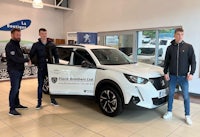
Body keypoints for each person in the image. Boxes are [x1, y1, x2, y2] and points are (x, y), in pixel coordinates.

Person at [163, 28, 196, 125]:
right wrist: (165, 72)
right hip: (172, 77)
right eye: (178, 34)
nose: (180, 36)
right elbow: (166, 62)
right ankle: (169, 112)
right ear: (174, 35)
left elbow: (193, 62)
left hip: (183, 77)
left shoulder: (188, 47)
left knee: (186, 96)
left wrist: (192, 73)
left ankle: (187, 115)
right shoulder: (170, 48)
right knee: (171, 95)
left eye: (182, 34)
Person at [30, 28, 59, 109]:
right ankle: (39, 103)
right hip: (41, 67)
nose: (44, 35)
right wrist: (35, 62)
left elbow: (56, 55)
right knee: (40, 85)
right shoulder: (36, 45)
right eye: (42, 33)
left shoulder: (51, 44)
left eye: (45, 33)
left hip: (50, 67)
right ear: (39, 34)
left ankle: (53, 100)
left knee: (52, 84)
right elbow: (31, 54)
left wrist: (56, 64)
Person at [5, 28, 31, 116]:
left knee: (17, 88)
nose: (19, 36)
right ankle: (12, 109)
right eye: (17, 35)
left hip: (19, 70)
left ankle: (17, 104)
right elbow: (15, 59)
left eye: (19, 35)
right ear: (12, 35)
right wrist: (26, 60)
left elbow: (20, 56)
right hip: (14, 70)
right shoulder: (10, 46)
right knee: (14, 89)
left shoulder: (17, 45)